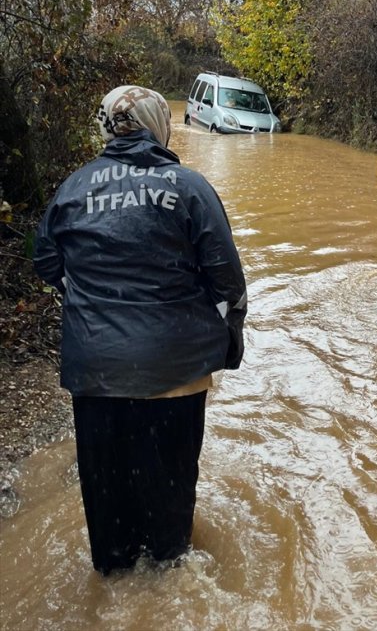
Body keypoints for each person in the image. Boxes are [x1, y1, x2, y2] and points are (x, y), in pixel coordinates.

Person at [33, 85, 247, 575]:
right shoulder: (189, 187)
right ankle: (169, 595)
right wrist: (227, 343)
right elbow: (228, 281)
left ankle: (111, 588)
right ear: (158, 126)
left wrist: (90, 297)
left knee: (109, 529)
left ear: (106, 127)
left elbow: (46, 260)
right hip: (175, 374)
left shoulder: (73, 187)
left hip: (95, 374)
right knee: (170, 527)